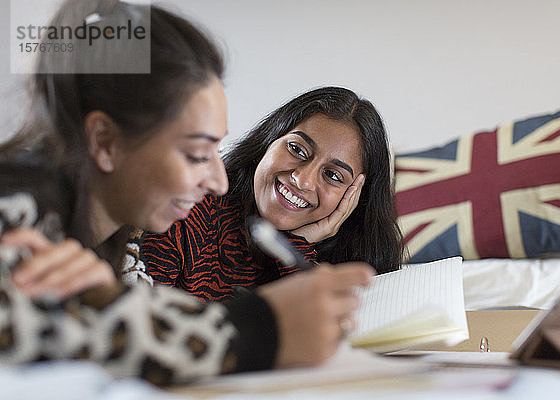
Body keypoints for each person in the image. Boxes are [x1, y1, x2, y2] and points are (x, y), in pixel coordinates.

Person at [0, 0, 373, 386]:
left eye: (215, 151)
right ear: (105, 142)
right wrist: (257, 330)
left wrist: (108, 300)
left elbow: (133, 323)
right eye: (197, 154)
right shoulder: (18, 206)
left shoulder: (120, 244)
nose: (218, 180)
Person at [142, 87, 404, 302]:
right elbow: (144, 333)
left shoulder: (353, 260)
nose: (302, 179)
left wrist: (297, 248)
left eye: (333, 175)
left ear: (354, 197)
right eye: (297, 149)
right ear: (269, 142)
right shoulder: (183, 210)